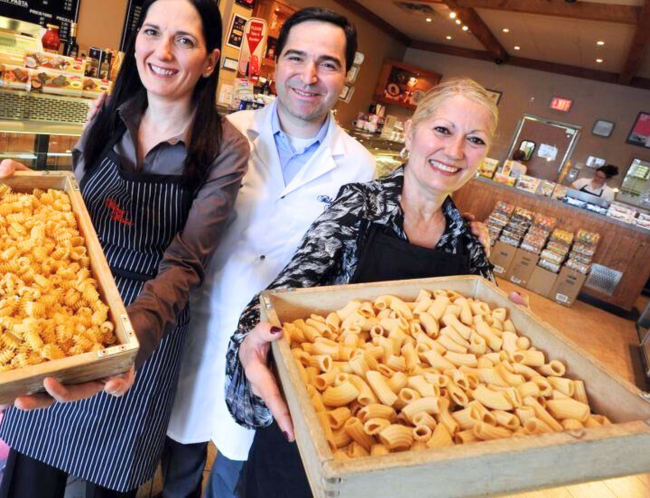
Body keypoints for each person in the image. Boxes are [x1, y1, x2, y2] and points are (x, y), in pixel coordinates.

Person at [0, 0, 250, 498]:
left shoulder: (225, 146)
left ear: (209, 60)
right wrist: (30, 194)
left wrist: (120, 347)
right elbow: (76, 209)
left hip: (144, 329)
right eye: (153, 33)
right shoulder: (109, 110)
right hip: (65, 309)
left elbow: (186, 262)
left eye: (184, 40)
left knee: (104, 482)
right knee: (29, 476)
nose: (163, 51)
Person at [225, 78, 527, 498]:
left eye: (474, 140)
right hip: (313, 439)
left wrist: (512, 325)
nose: (455, 151)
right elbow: (280, 297)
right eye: (442, 130)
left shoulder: (467, 241)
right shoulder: (359, 207)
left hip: (407, 465)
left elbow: (483, 352)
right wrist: (249, 341)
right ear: (410, 132)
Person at [161, 8, 377, 498]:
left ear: (346, 76)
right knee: (179, 460)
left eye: (328, 63)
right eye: (296, 58)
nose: (309, 76)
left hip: (273, 348)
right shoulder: (224, 133)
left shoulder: (359, 168)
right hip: (197, 324)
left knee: (236, 473)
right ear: (275, 64)